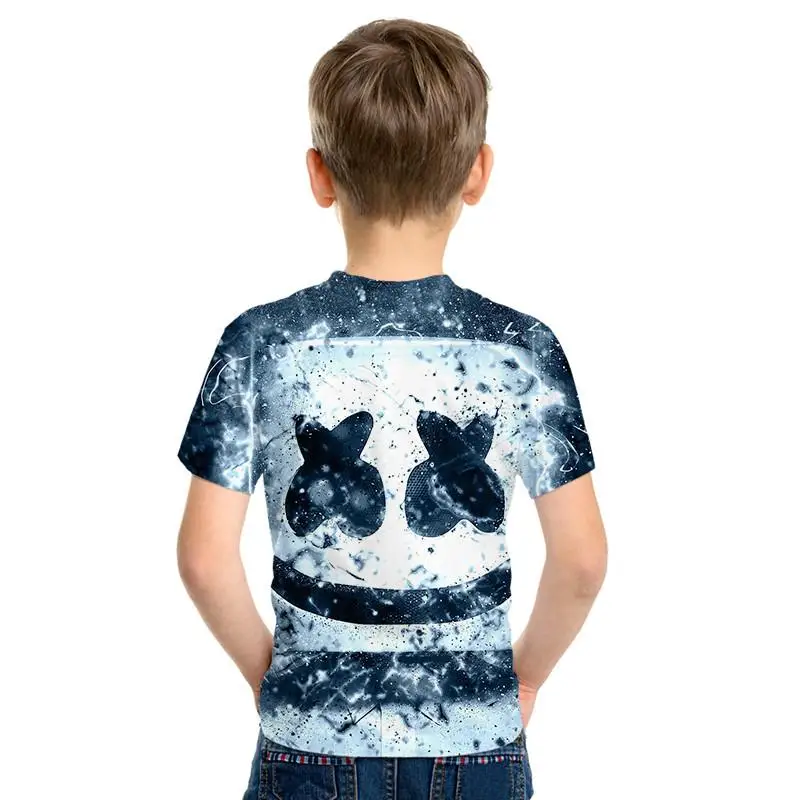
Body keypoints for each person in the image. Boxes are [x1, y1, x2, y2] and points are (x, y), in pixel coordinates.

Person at [176, 17, 607, 800]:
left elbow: (204, 560)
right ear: (477, 174)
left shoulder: (261, 343)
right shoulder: (522, 349)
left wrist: (271, 678)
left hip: (310, 739)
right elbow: (581, 562)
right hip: (476, 739)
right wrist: (526, 680)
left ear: (319, 174)